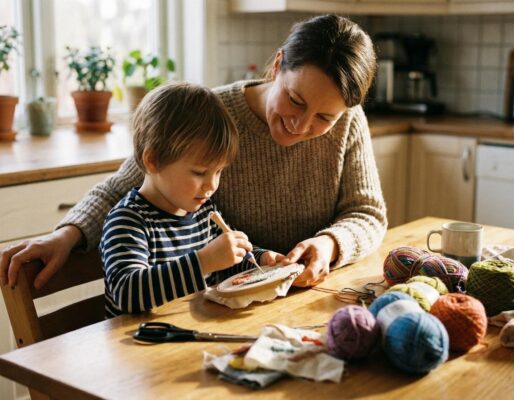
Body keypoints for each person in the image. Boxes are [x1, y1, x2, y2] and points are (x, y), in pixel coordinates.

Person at [0, 14, 387, 290]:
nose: (302, 126)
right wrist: (68, 234)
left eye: (324, 117)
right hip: (227, 306)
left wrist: (330, 243)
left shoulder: (350, 122)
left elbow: (367, 213)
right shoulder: (213, 115)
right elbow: (123, 187)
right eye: (295, 100)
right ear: (278, 65)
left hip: (301, 299)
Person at [100, 81, 280, 317]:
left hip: (191, 331)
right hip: (139, 344)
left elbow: (230, 260)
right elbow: (128, 294)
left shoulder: (204, 213)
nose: (212, 185)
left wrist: (261, 258)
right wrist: (204, 261)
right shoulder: (128, 221)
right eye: (199, 172)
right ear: (153, 161)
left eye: (218, 172)